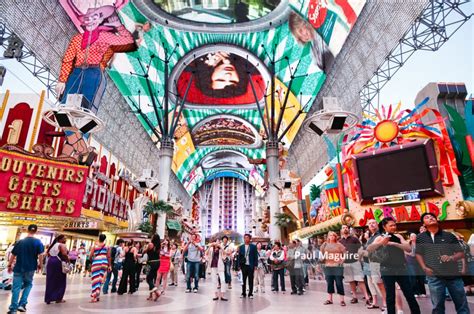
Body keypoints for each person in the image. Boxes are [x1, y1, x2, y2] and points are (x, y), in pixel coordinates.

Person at [416, 212, 470, 314]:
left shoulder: (449, 236)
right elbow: (418, 254)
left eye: (432, 217)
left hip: (453, 275)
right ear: (423, 224)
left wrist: (451, 257)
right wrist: (424, 267)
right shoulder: (421, 238)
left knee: (461, 304)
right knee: (437, 307)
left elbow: (460, 253)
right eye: (427, 218)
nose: (431, 218)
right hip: (434, 276)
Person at [368, 218, 420, 314]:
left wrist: (394, 243)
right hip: (386, 269)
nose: (393, 227)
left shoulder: (398, 236)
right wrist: (381, 242)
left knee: (409, 294)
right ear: (384, 227)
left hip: (401, 268)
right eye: (391, 225)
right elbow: (370, 248)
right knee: (390, 295)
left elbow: (408, 249)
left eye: (394, 225)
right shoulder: (380, 237)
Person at [7, 225, 44, 314]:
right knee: (28, 284)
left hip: (19, 267)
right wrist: (41, 265)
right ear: (36, 231)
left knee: (16, 287)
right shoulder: (38, 242)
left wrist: (9, 264)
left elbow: (13, 254)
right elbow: (41, 255)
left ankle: (13, 309)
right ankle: (22, 304)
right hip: (31, 267)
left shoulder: (20, 242)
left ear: (27, 230)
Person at [339, 224, 370, 304]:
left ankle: (367, 297)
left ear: (348, 229)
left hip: (355, 262)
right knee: (351, 281)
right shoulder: (340, 241)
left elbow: (360, 248)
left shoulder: (354, 239)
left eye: (346, 227)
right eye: (343, 228)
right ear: (341, 230)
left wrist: (359, 258)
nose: (345, 229)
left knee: (360, 280)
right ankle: (354, 297)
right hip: (346, 263)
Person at [364, 219, 387, 310]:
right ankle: (376, 302)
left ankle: (386, 303)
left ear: (377, 224)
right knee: (373, 283)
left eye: (373, 223)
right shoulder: (371, 237)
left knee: (380, 284)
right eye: (369, 223)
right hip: (370, 262)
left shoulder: (381, 234)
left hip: (378, 262)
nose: (371, 225)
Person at [320, 231, 346, 306]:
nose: (331, 237)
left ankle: (342, 300)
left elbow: (345, 253)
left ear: (335, 237)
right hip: (328, 266)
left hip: (337, 266)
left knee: (339, 283)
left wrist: (342, 261)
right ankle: (330, 299)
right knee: (329, 283)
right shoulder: (325, 244)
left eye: (333, 235)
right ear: (328, 237)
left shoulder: (339, 245)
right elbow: (322, 253)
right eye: (330, 235)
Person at [44, 234, 69, 304]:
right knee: (61, 280)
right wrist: (68, 261)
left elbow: (48, 254)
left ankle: (48, 298)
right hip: (58, 263)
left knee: (50, 280)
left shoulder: (52, 245)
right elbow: (64, 254)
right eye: (64, 238)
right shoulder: (62, 245)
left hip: (50, 261)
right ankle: (58, 298)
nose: (65, 240)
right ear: (60, 239)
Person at [89, 234, 111, 303]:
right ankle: (98, 295)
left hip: (96, 262)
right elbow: (109, 257)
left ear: (99, 238)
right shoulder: (107, 246)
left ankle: (94, 296)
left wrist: (92, 260)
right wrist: (110, 266)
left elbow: (90, 256)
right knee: (100, 279)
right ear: (104, 239)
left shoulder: (95, 246)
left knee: (95, 279)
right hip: (104, 262)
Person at [405, 233, 426, 297]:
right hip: (410, 262)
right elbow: (404, 251)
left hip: (419, 262)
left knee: (421, 277)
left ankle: (422, 292)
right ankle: (415, 292)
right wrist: (409, 254)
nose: (412, 237)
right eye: (411, 236)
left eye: (414, 236)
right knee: (413, 277)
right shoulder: (407, 243)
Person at [238, 233, 259, 299]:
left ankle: (250, 293)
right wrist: (239, 266)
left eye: (247, 238)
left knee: (250, 280)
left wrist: (255, 265)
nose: (246, 239)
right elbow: (239, 257)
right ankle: (243, 293)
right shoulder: (241, 247)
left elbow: (255, 256)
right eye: (245, 238)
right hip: (243, 266)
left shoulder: (253, 247)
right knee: (243, 280)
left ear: (250, 239)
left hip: (251, 266)